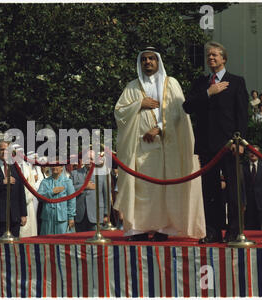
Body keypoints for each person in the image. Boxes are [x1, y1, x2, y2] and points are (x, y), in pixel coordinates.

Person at [114, 47, 205, 242]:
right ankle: (137, 229)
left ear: (158, 62)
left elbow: (179, 113)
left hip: (166, 148)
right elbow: (119, 113)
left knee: (165, 189)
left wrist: (160, 128)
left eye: (151, 59)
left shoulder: (170, 84)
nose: (147, 62)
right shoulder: (132, 87)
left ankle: (164, 228)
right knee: (141, 189)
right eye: (144, 59)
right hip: (139, 150)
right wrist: (139, 104)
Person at [183, 41, 249, 243]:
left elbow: (242, 114)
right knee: (209, 191)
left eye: (215, 55)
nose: (211, 58)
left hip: (230, 144)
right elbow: (187, 106)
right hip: (207, 145)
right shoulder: (201, 83)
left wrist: (240, 141)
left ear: (224, 58)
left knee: (233, 190)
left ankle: (235, 231)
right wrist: (208, 93)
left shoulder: (236, 82)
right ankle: (212, 231)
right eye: (208, 56)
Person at [71, 151, 108, 232]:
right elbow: (70, 191)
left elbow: (106, 195)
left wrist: (106, 214)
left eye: (91, 159)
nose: (89, 161)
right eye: (87, 158)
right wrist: (84, 186)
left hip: (96, 215)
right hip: (79, 215)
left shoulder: (101, 174)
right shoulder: (74, 173)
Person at [38, 165, 76, 235]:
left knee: (62, 241)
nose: (54, 167)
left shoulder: (67, 182)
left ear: (62, 167)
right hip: (48, 218)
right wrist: (52, 192)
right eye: (53, 165)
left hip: (62, 218)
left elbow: (72, 200)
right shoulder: (44, 182)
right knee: (47, 242)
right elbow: (39, 197)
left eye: (57, 165)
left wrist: (71, 217)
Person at [243, 146, 262, 230]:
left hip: (260, 201)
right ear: (248, 153)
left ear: (259, 154)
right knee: (248, 225)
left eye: (255, 152)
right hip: (247, 201)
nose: (253, 154)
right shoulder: (243, 166)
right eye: (251, 152)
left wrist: (260, 193)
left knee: (259, 225)